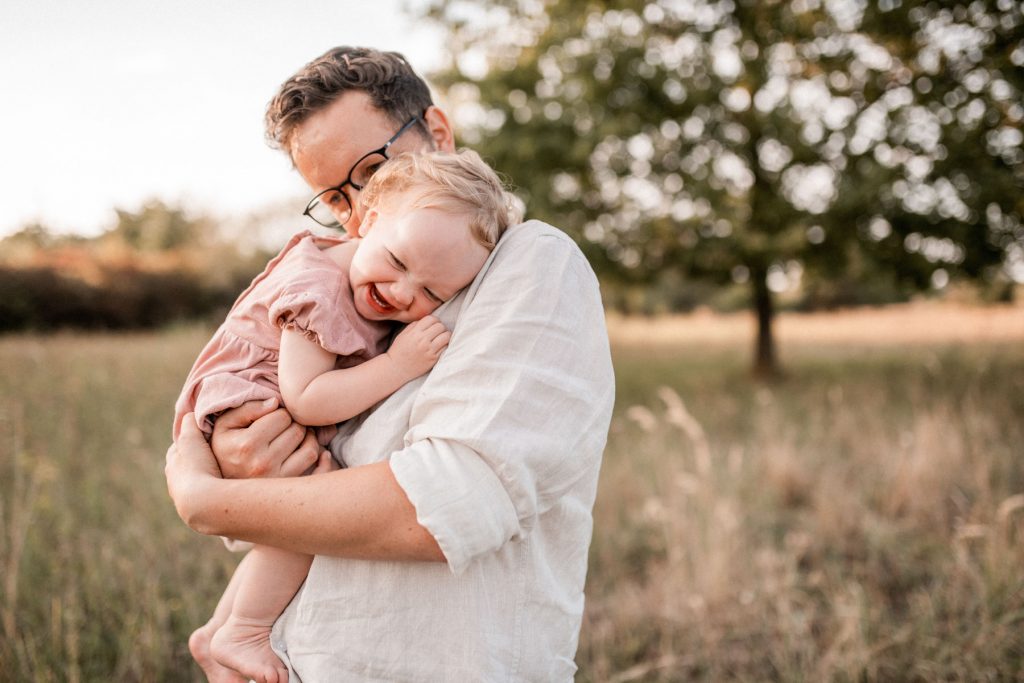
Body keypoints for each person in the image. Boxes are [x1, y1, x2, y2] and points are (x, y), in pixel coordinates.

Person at [165, 46, 614, 682]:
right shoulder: (350, 291)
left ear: (438, 133)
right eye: (335, 198)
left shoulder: (532, 263)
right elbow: (301, 483)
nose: (359, 213)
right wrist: (246, 459)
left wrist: (210, 500)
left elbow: (440, 508)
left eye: (374, 169)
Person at [173, 149, 517, 682]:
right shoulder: (319, 292)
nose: (401, 292)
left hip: (256, 407)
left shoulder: (355, 269)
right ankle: (244, 629)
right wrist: (398, 365)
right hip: (251, 408)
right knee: (313, 510)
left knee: (293, 521)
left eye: (432, 292)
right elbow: (307, 397)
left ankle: (216, 631)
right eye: (398, 262)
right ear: (369, 221)